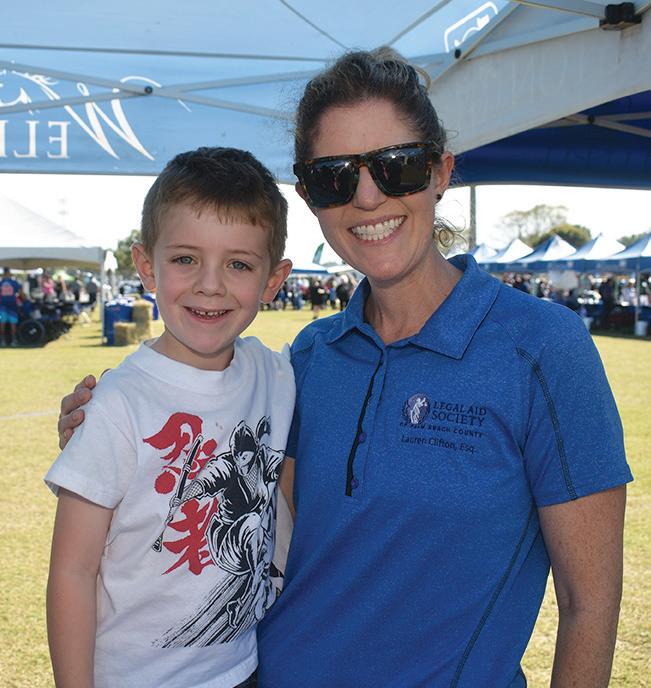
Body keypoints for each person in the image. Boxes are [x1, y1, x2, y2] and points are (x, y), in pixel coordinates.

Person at [58, 49, 631, 687]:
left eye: (398, 165)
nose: (367, 196)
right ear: (309, 197)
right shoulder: (306, 359)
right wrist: (104, 423)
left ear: (441, 171)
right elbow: (215, 464)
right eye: (334, 177)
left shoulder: (541, 349)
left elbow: (589, 602)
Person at [46, 147, 294, 688]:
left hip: (243, 669)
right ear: (145, 267)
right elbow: (72, 571)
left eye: (239, 264)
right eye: (185, 259)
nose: (211, 284)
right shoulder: (114, 406)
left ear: (272, 281)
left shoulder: (276, 375)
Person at [0, 266, 22, 346]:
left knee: (2, 323)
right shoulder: (14, 282)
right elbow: (20, 293)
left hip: (3, 306)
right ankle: (13, 341)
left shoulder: (1, 283)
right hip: (11, 306)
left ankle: (3, 341)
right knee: (12, 324)